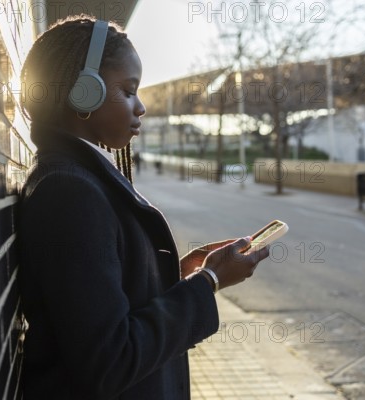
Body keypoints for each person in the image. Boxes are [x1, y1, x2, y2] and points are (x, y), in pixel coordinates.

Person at [17, 15, 269, 400]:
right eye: (129, 90)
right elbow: (110, 359)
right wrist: (211, 281)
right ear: (85, 92)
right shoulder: (69, 191)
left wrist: (166, 274)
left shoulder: (72, 178)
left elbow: (100, 301)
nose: (142, 107)